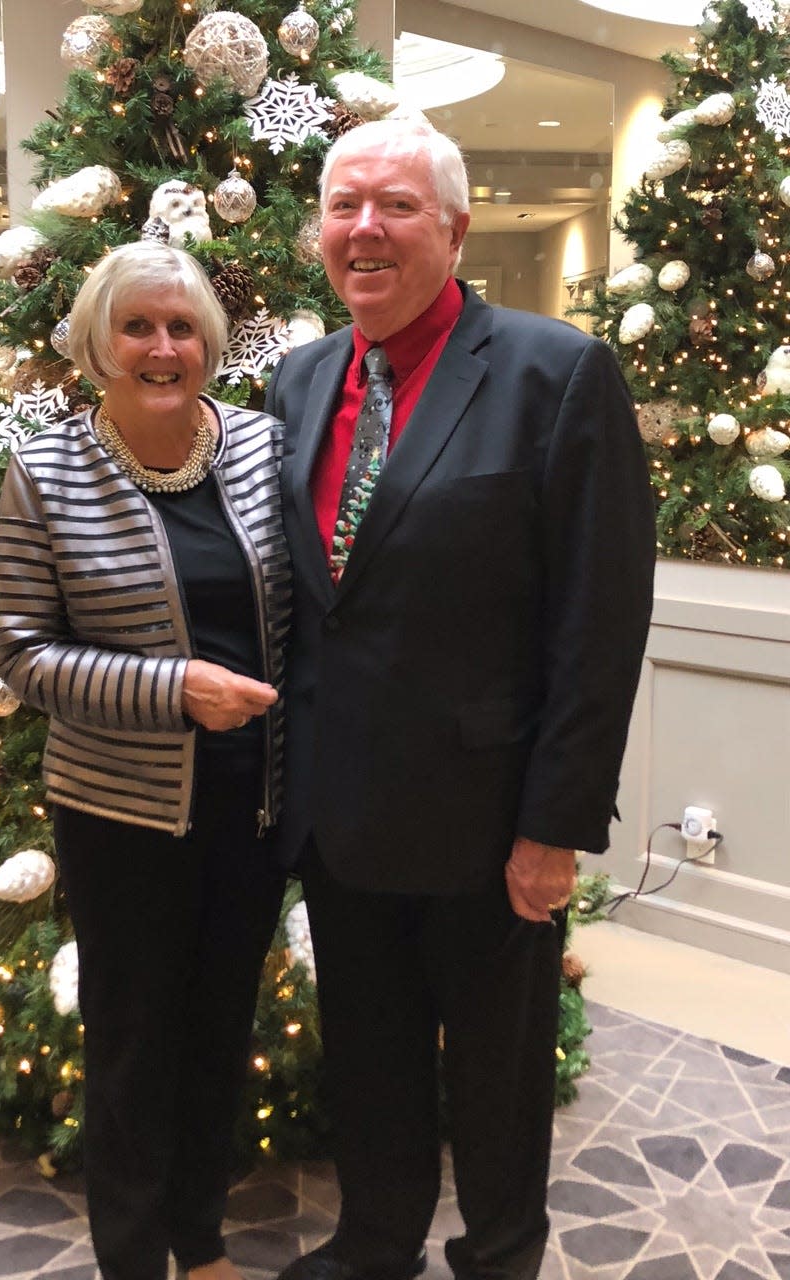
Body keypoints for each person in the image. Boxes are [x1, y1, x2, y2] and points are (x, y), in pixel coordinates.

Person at [265, 119, 655, 1280]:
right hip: (339, 816)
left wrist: (554, 826)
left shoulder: (555, 371)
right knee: (370, 1058)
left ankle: (500, 1254)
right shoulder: (296, 377)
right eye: (343, 206)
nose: (363, 230)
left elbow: (599, 622)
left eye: (394, 205)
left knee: (497, 1073)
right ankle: (374, 1240)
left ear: (455, 226)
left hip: (488, 826)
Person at [0, 242, 290, 1280]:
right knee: (131, 1044)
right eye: (138, 327)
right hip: (119, 816)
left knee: (218, 1036)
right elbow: (22, 655)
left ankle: (200, 1242)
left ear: (209, 341)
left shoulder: (261, 446)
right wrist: (176, 690)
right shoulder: (46, 468)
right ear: (96, 346)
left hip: (251, 809)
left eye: (183, 327)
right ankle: (130, 1255)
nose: (164, 348)